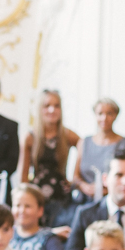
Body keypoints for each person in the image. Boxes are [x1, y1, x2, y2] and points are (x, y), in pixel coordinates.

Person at [19, 89, 81, 227]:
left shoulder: (67, 135)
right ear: (40, 109)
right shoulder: (30, 137)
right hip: (37, 197)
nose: (52, 110)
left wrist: (76, 177)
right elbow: (23, 176)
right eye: (47, 106)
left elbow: (84, 146)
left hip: (61, 197)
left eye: (56, 105)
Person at [9, 184, 65, 250]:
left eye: (27, 206)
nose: (22, 210)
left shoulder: (47, 237)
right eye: (17, 205)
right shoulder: (6, 234)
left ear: (40, 211)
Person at [71, 98, 125, 204]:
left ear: (115, 116)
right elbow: (75, 177)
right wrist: (85, 187)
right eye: (100, 113)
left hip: (112, 200)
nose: (104, 118)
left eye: (109, 113)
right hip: (84, 200)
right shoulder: (84, 142)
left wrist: (106, 190)